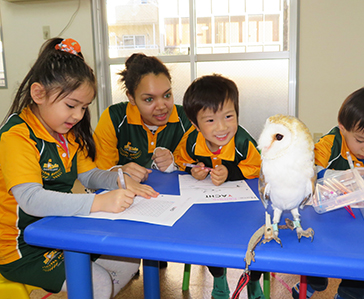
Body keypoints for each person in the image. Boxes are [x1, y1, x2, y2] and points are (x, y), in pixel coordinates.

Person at [0, 38, 158, 299]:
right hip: (21, 248)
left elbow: (89, 175)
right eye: (71, 105)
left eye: (84, 108)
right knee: (97, 283)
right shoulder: (17, 136)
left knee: (128, 260)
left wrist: (120, 180)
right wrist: (98, 204)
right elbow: (30, 200)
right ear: (38, 94)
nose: (78, 116)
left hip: (60, 228)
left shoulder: (67, 132)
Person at [291, 86, 364, 299]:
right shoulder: (329, 145)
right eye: (359, 140)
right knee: (314, 245)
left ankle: (349, 294)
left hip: (361, 220)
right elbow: (310, 172)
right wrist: (342, 179)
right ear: (342, 128)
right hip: (326, 215)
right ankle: (316, 280)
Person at [174, 74, 263, 299]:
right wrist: (191, 168)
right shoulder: (191, 140)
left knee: (257, 240)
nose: (222, 127)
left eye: (229, 116)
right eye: (210, 120)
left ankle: (253, 283)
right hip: (209, 209)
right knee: (208, 240)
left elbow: (258, 167)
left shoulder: (243, 142)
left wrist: (231, 173)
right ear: (195, 124)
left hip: (245, 208)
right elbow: (180, 158)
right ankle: (219, 279)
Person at [93, 53, 192, 183]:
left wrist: (173, 165)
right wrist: (119, 172)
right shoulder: (114, 117)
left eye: (167, 95)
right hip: (125, 197)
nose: (162, 106)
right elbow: (97, 175)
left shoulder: (186, 119)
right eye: (149, 99)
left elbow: (193, 168)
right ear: (131, 98)